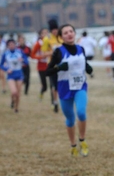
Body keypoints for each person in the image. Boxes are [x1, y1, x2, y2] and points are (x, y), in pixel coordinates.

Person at [46, 24, 93, 157]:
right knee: (70, 119)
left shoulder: (81, 49)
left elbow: (83, 64)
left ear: (75, 33)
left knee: (81, 113)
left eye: (71, 31)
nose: (69, 34)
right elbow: (48, 71)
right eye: (65, 33)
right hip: (64, 89)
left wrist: (88, 67)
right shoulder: (58, 52)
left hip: (80, 87)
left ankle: (82, 141)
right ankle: (73, 145)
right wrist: (58, 68)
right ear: (61, 37)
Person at [0, 39, 29, 113]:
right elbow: (1, 65)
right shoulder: (5, 53)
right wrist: (7, 69)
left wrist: (22, 60)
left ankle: (16, 108)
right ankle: (12, 100)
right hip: (11, 75)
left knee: (18, 93)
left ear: (15, 45)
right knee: (14, 92)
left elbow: (26, 61)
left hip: (19, 74)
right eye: (10, 44)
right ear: (8, 46)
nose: (12, 46)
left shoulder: (20, 52)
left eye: (13, 44)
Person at [43, 19, 63, 112]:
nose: (55, 31)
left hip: (62, 65)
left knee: (62, 84)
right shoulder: (47, 39)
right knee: (54, 86)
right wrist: (52, 52)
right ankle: (55, 102)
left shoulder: (61, 37)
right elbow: (44, 53)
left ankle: (62, 101)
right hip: (52, 65)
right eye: (53, 30)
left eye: (56, 29)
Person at [31, 28, 52, 100]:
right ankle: (41, 93)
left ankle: (54, 102)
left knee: (52, 85)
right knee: (45, 86)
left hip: (50, 65)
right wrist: (41, 57)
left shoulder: (50, 42)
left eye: (47, 32)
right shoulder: (38, 43)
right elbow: (32, 55)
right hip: (41, 67)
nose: (46, 34)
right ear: (40, 35)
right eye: (44, 33)